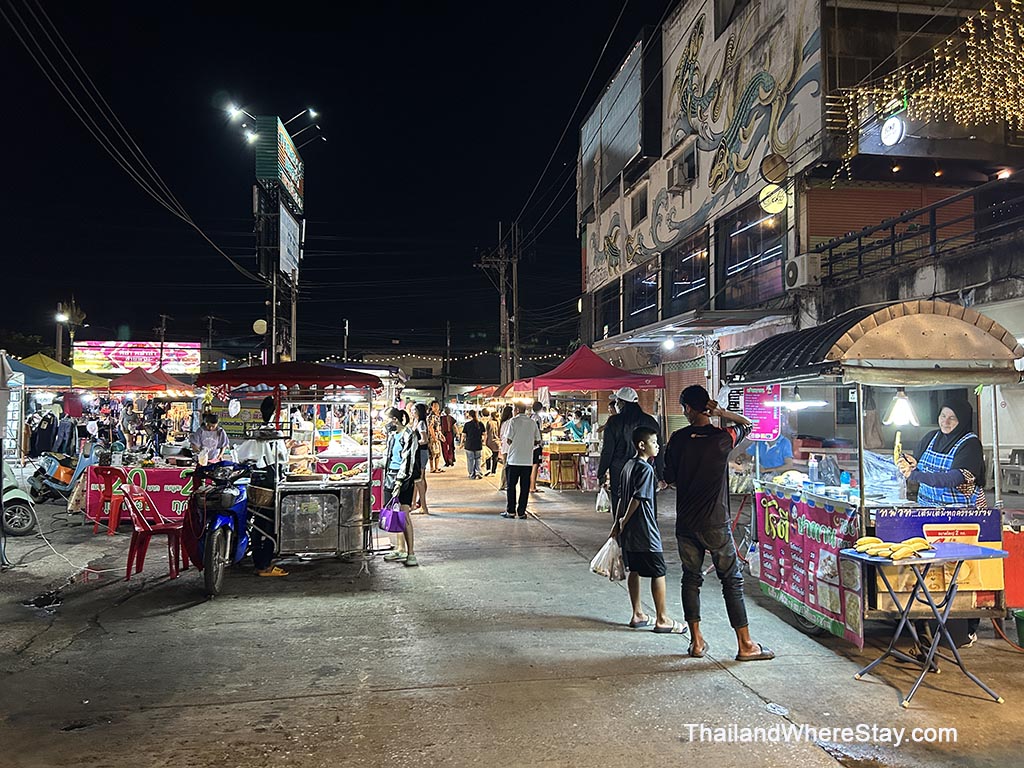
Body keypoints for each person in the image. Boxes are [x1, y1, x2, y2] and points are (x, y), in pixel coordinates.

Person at [664, 385, 773, 661]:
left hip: (686, 523)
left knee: (691, 579)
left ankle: (697, 642)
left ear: (688, 409)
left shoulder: (677, 439)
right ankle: (745, 645)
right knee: (731, 580)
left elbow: (669, 478)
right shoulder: (723, 438)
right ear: (707, 407)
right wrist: (722, 413)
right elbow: (747, 424)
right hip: (715, 522)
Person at [898, 397, 985, 646]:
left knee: (961, 572)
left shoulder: (970, 444)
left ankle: (965, 628)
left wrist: (917, 475)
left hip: (961, 518)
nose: (946, 422)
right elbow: (916, 463)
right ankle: (927, 621)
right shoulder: (931, 438)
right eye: (943, 416)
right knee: (930, 571)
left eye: (952, 418)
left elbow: (954, 479)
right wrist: (907, 463)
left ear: (962, 420)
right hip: (928, 515)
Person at [609, 426, 683, 633]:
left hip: (630, 534)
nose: (657, 446)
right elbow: (637, 498)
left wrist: (618, 523)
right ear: (642, 445)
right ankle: (662, 619)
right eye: (654, 442)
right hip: (645, 530)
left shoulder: (628, 466)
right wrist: (624, 520)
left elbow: (622, 497)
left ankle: (637, 614)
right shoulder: (646, 469)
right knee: (658, 571)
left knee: (635, 570)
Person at [599, 387, 664, 517]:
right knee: (645, 503)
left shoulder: (614, 421)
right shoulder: (650, 421)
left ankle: (621, 528)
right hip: (644, 469)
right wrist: (661, 475)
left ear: (622, 403)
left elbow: (607, 451)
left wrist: (601, 473)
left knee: (621, 504)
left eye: (617, 402)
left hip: (619, 471)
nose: (616, 405)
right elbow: (659, 449)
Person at [380, 408, 419, 566]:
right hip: (390, 476)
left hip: (404, 480)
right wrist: (371, 464)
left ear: (395, 419)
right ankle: (400, 548)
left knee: (404, 514)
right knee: (395, 514)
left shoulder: (409, 435)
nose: (385, 423)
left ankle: (411, 553)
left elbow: (407, 460)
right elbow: (388, 457)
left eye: (387, 419)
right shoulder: (392, 435)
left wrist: (399, 481)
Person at [500, 403, 541, 519]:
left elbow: (508, 439)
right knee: (524, 488)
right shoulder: (532, 422)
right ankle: (522, 512)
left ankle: (511, 511)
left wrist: (517, 443)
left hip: (514, 459)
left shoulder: (513, 421)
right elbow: (538, 440)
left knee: (511, 487)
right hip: (527, 461)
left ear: (517, 410)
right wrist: (527, 443)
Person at [411, 403, 430, 513]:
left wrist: (413, 443)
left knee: (420, 479)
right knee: (419, 479)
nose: (412, 412)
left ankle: (423, 506)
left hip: (421, 452)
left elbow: (424, 439)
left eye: (414, 410)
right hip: (418, 452)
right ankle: (415, 503)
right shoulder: (416, 422)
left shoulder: (421, 423)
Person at [461, 409, 486, 479]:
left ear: (469, 415)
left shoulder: (467, 424)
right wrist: (484, 442)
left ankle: (472, 474)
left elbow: (463, 435)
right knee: (478, 459)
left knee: (470, 460)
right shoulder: (480, 424)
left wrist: (461, 443)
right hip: (478, 444)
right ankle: (478, 472)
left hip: (469, 445)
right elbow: (484, 434)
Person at [530, 401, 546, 493]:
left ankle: (532, 486)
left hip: (531, 444)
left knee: (533, 465)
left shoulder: (530, 417)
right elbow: (538, 430)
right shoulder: (537, 418)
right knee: (535, 465)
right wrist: (545, 431)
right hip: (536, 445)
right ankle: (532, 487)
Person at [497, 405, 514, 490]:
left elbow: (501, 435)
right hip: (509, 447)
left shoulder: (503, 423)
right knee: (507, 466)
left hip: (504, 447)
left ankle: (504, 483)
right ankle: (505, 483)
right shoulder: (511, 422)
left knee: (505, 465)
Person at [427, 400, 444, 473]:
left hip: (437, 435)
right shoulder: (431, 416)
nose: (436, 408)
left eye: (437, 406)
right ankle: (432, 468)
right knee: (432, 452)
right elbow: (430, 427)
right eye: (434, 406)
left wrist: (441, 435)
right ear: (431, 407)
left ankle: (436, 467)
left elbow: (438, 427)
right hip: (432, 436)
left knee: (438, 452)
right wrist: (434, 437)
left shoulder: (437, 416)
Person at [484, 409, 501, 475]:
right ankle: (493, 471)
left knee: (488, 455)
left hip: (489, 441)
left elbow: (486, 433)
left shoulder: (489, 422)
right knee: (495, 457)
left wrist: (484, 442)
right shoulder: (499, 423)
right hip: (497, 442)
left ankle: (488, 469)